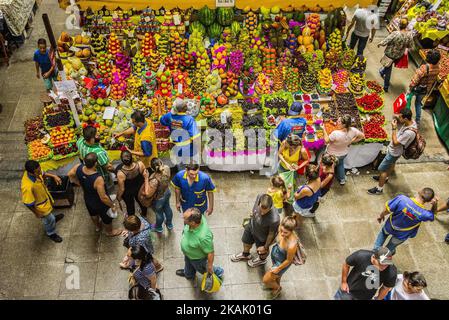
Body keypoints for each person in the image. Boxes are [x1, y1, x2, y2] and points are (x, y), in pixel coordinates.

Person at [68, 152, 121, 236]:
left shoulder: (78, 167)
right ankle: (109, 232)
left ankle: (97, 227)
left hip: (88, 198)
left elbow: (70, 174)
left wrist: (79, 183)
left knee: (93, 214)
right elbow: (103, 197)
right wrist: (112, 206)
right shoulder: (98, 179)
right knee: (106, 217)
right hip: (99, 203)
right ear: (96, 163)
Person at [374, 188, 438, 254]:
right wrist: (435, 204)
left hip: (389, 226)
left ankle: (376, 250)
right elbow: (433, 215)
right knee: (390, 248)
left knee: (383, 234)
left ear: (420, 192)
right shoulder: (425, 214)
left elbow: (386, 210)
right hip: (402, 235)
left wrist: (381, 216)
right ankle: (386, 253)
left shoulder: (402, 199)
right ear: (429, 200)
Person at [368, 108, 417, 195]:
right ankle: (385, 178)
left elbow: (395, 143)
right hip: (397, 152)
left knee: (381, 169)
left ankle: (379, 188)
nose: (399, 118)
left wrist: (394, 128)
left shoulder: (408, 133)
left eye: (400, 117)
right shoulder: (411, 121)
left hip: (394, 152)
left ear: (406, 118)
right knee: (391, 164)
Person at [230, 194, 280, 267]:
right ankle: (246, 255)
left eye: (265, 211)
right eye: (261, 209)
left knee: (262, 252)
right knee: (246, 241)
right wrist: (253, 214)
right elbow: (254, 208)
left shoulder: (274, 219)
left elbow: (271, 234)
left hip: (262, 236)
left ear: (271, 206)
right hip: (252, 226)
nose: (262, 213)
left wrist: (265, 247)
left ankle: (261, 260)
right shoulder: (259, 196)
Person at [176, 208, 224, 283]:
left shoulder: (203, 237)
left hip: (198, 259)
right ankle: (189, 274)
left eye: (185, 218)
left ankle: (218, 272)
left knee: (206, 269)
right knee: (188, 264)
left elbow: (210, 252)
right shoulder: (199, 217)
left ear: (193, 223)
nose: (183, 219)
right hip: (189, 255)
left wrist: (210, 266)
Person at [21, 160, 64, 243]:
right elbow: (28, 203)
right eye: (38, 172)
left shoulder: (35, 172)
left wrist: (54, 176)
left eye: (40, 169)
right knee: (49, 220)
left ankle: (53, 218)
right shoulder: (27, 187)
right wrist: (37, 213)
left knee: (51, 215)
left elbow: (43, 173)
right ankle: (51, 233)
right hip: (41, 207)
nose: (40, 172)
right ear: (31, 173)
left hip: (45, 198)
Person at [262, 216, 298, 300]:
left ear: (291, 231)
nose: (282, 234)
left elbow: (289, 260)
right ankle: (275, 284)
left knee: (266, 280)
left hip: (281, 263)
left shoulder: (292, 245)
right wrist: (266, 247)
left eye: (285, 233)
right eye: (281, 230)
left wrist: (278, 268)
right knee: (276, 277)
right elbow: (276, 239)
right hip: (276, 257)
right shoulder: (281, 229)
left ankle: (277, 288)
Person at [323, 115, 365, 185]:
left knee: (330, 166)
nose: (337, 122)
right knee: (340, 165)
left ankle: (326, 181)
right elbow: (362, 136)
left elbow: (326, 141)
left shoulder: (336, 133)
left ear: (344, 124)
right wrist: (351, 141)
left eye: (339, 121)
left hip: (332, 154)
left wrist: (323, 129)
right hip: (343, 154)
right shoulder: (353, 130)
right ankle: (342, 180)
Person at [160, 98, 201, 169]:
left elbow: (161, 119)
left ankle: (181, 175)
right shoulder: (189, 119)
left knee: (180, 166)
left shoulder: (169, 115)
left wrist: (158, 102)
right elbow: (195, 137)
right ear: (184, 109)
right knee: (190, 166)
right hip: (188, 148)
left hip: (175, 147)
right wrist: (199, 151)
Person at [378, 18, 413, 92]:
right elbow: (410, 46)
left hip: (390, 54)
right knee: (388, 66)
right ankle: (382, 71)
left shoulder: (395, 33)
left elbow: (387, 40)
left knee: (388, 70)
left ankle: (386, 86)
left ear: (399, 25)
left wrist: (380, 43)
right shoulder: (409, 35)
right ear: (406, 26)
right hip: (399, 55)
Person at [408, 49, 441, 126]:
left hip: (417, 88)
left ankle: (407, 117)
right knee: (418, 103)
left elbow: (415, 80)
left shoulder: (424, 68)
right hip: (425, 89)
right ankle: (418, 120)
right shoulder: (437, 68)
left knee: (408, 99)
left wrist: (410, 88)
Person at [76, 126, 114, 191]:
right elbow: (108, 167)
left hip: (90, 174)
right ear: (92, 139)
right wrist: (115, 170)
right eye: (96, 134)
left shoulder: (79, 141)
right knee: (106, 189)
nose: (99, 134)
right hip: (101, 176)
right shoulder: (98, 153)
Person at [143, 158, 173, 235]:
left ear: (152, 168)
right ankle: (169, 224)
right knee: (167, 207)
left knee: (159, 213)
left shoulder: (154, 179)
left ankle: (158, 227)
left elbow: (147, 194)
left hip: (159, 198)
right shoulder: (166, 168)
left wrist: (146, 178)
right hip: (167, 192)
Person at [116, 150, 147, 217]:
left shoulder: (121, 173)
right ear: (131, 157)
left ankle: (132, 220)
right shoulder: (140, 164)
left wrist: (118, 197)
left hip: (128, 192)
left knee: (130, 206)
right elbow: (145, 175)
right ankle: (144, 214)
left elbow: (122, 189)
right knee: (142, 202)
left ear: (122, 160)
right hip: (139, 188)